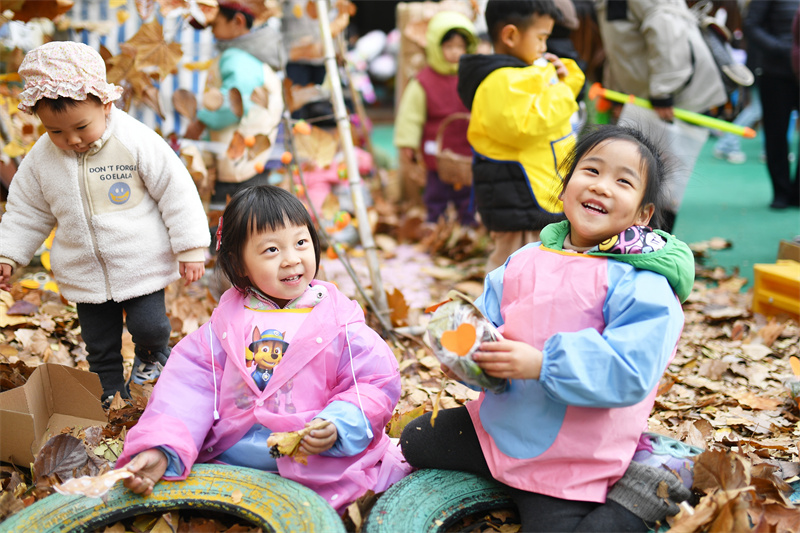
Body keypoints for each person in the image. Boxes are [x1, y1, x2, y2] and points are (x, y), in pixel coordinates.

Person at [402, 125, 696, 532]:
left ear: (643, 215)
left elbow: (631, 370)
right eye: (591, 171)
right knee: (418, 438)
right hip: (503, 424)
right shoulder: (526, 258)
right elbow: (487, 320)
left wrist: (542, 363)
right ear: (563, 189)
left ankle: (641, 490)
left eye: (623, 181)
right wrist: (469, 358)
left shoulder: (641, 283)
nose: (602, 187)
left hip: (575, 454)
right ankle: (507, 468)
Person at [117, 185, 411, 513]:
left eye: (301, 243)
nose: (291, 259)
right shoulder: (224, 329)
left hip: (318, 462)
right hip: (231, 461)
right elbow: (187, 390)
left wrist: (339, 424)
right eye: (271, 250)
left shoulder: (340, 323)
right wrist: (162, 448)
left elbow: (372, 382)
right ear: (239, 263)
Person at [0, 41, 210, 404]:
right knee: (98, 342)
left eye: (81, 127)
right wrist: (8, 255)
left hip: (140, 261)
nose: (72, 140)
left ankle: (150, 358)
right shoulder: (41, 161)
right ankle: (108, 392)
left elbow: (175, 189)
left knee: (150, 326)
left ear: (106, 104)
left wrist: (190, 246)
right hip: (84, 271)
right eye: (56, 132)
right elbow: (26, 211)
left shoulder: (136, 140)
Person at [457, 0, 585, 272]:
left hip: (535, 196)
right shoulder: (501, 81)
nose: (544, 47)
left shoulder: (518, 75)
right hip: (520, 202)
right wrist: (567, 88)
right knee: (513, 271)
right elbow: (531, 125)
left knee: (538, 270)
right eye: (540, 37)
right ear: (511, 35)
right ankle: (498, 316)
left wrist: (558, 80)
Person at [594, 0, 728, 233]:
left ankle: (653, 244)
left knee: (660, 179)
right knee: (635, 170)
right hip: (648, 95)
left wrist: (664, 90)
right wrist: (619, 92)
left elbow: (665, 26)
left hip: (673, 96)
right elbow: (620, 44)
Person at [185, 0, 284, 205]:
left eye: (215, 25)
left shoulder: (235, 57)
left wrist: (200, 121)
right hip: (249, 163)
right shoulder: (252, 57)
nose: (211, 33)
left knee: (229, 223)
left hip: (235, 168)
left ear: (237, 21)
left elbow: (232, 105)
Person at [394, 11, 479, 227]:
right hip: (437, 148)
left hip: (466, 146)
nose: (455, 53)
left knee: (468, 191)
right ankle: (434, 221)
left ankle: (467, 224)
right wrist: (407, 143)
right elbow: (411, 115)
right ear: (435, 47)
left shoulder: (472, 77)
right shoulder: (424, 81)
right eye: (449, 47)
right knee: (436, 190)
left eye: (460, 47)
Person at [745, 0, 800, 209]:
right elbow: (751, 25)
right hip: (776, 71)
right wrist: (781, 48)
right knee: (776, 134)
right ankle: (782, 191)